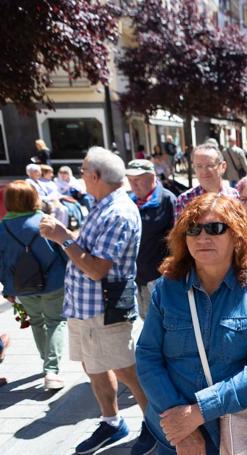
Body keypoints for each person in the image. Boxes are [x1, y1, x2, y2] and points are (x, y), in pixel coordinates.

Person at [135, 193, 247, 455]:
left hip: (236, 432)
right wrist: (184, 427)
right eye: (193, 229)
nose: (202, 238)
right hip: (174, 435)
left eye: (215, 228)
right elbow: (147, 356)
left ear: (235, 234)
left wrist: (200, 411)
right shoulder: (167, 289)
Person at [39, 146, 155, 455]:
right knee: (94, 366)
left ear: (94, 176)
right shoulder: (104, 203)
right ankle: (112, 422)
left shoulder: (118, 211)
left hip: (106, 309)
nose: (81, 178)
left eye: (82, 173)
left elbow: (96, 269)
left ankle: (155, 426)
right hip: (87, 308)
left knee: (128, 370)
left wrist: (64, 237)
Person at [0, 180, 68, 390]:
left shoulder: (2, 228)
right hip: (54, 282)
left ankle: (46, 361)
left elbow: (1, 262)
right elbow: (63, 251)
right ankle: (52, 370)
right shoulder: (45, 221)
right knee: (56, 321)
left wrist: (7, 288)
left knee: (37, 322)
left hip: (22, 285)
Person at [126, 159, 176, 319]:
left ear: (152, 177)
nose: (134, 184)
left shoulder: (167, 200)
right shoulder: (129, 201)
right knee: (145, 320)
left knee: (162, 321)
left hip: (159, 278)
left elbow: (177, 240)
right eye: (130, 180)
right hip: (136, 277)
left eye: (138, 179)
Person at [175, 143, 239, 218]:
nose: (204, 171)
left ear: (223, 167)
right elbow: (180, 229)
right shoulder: (185, 200)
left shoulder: (235, 197)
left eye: (210, 165)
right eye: (199, 166)